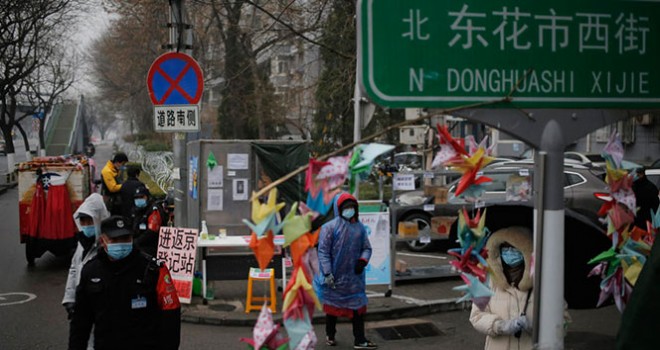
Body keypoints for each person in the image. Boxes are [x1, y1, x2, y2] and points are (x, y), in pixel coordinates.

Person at [68, 216, 181, 350]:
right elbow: (81, 321)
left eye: (126, 239)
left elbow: (170, 318)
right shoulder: (91, 271)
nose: (121, 244)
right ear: (102, 240)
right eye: (114, 240)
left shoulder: (153, 270)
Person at [469, 226, 570, 350]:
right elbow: (476, 316)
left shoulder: (546, 283)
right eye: (505, 248)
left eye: (514, 248)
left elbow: (563, 322)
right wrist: (500, 326)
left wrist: (538, 327)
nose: (510, 252)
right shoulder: (486, 280)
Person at [315, 192, 376, 350]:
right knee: (332, 309)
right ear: (339, 208)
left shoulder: (360, 228)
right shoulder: (329, 228)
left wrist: (362, 261)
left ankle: (360, 339)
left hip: (354, 279)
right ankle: (330, 335)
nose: (349, 210)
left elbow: (367, 248)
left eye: (352, 207)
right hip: (335, 277)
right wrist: (327, 272)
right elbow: (323, 252)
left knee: (358, 310)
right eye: (346, 207)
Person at [62, 193, 111, 317]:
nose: (86, 225)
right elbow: (74, 269)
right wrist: (69, 299)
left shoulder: (109, 243)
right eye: (82, 221)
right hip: (82, 301)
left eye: (90, 220)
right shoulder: (81, 243)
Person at [131, 186, 168, 257]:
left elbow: (152, 231)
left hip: (151, 247)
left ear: (147, 197)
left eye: (141, 197)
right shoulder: (137, 210)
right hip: (140, 246)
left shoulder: (153, 210)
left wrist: (136, 242)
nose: (139, 199)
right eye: (136, 198)